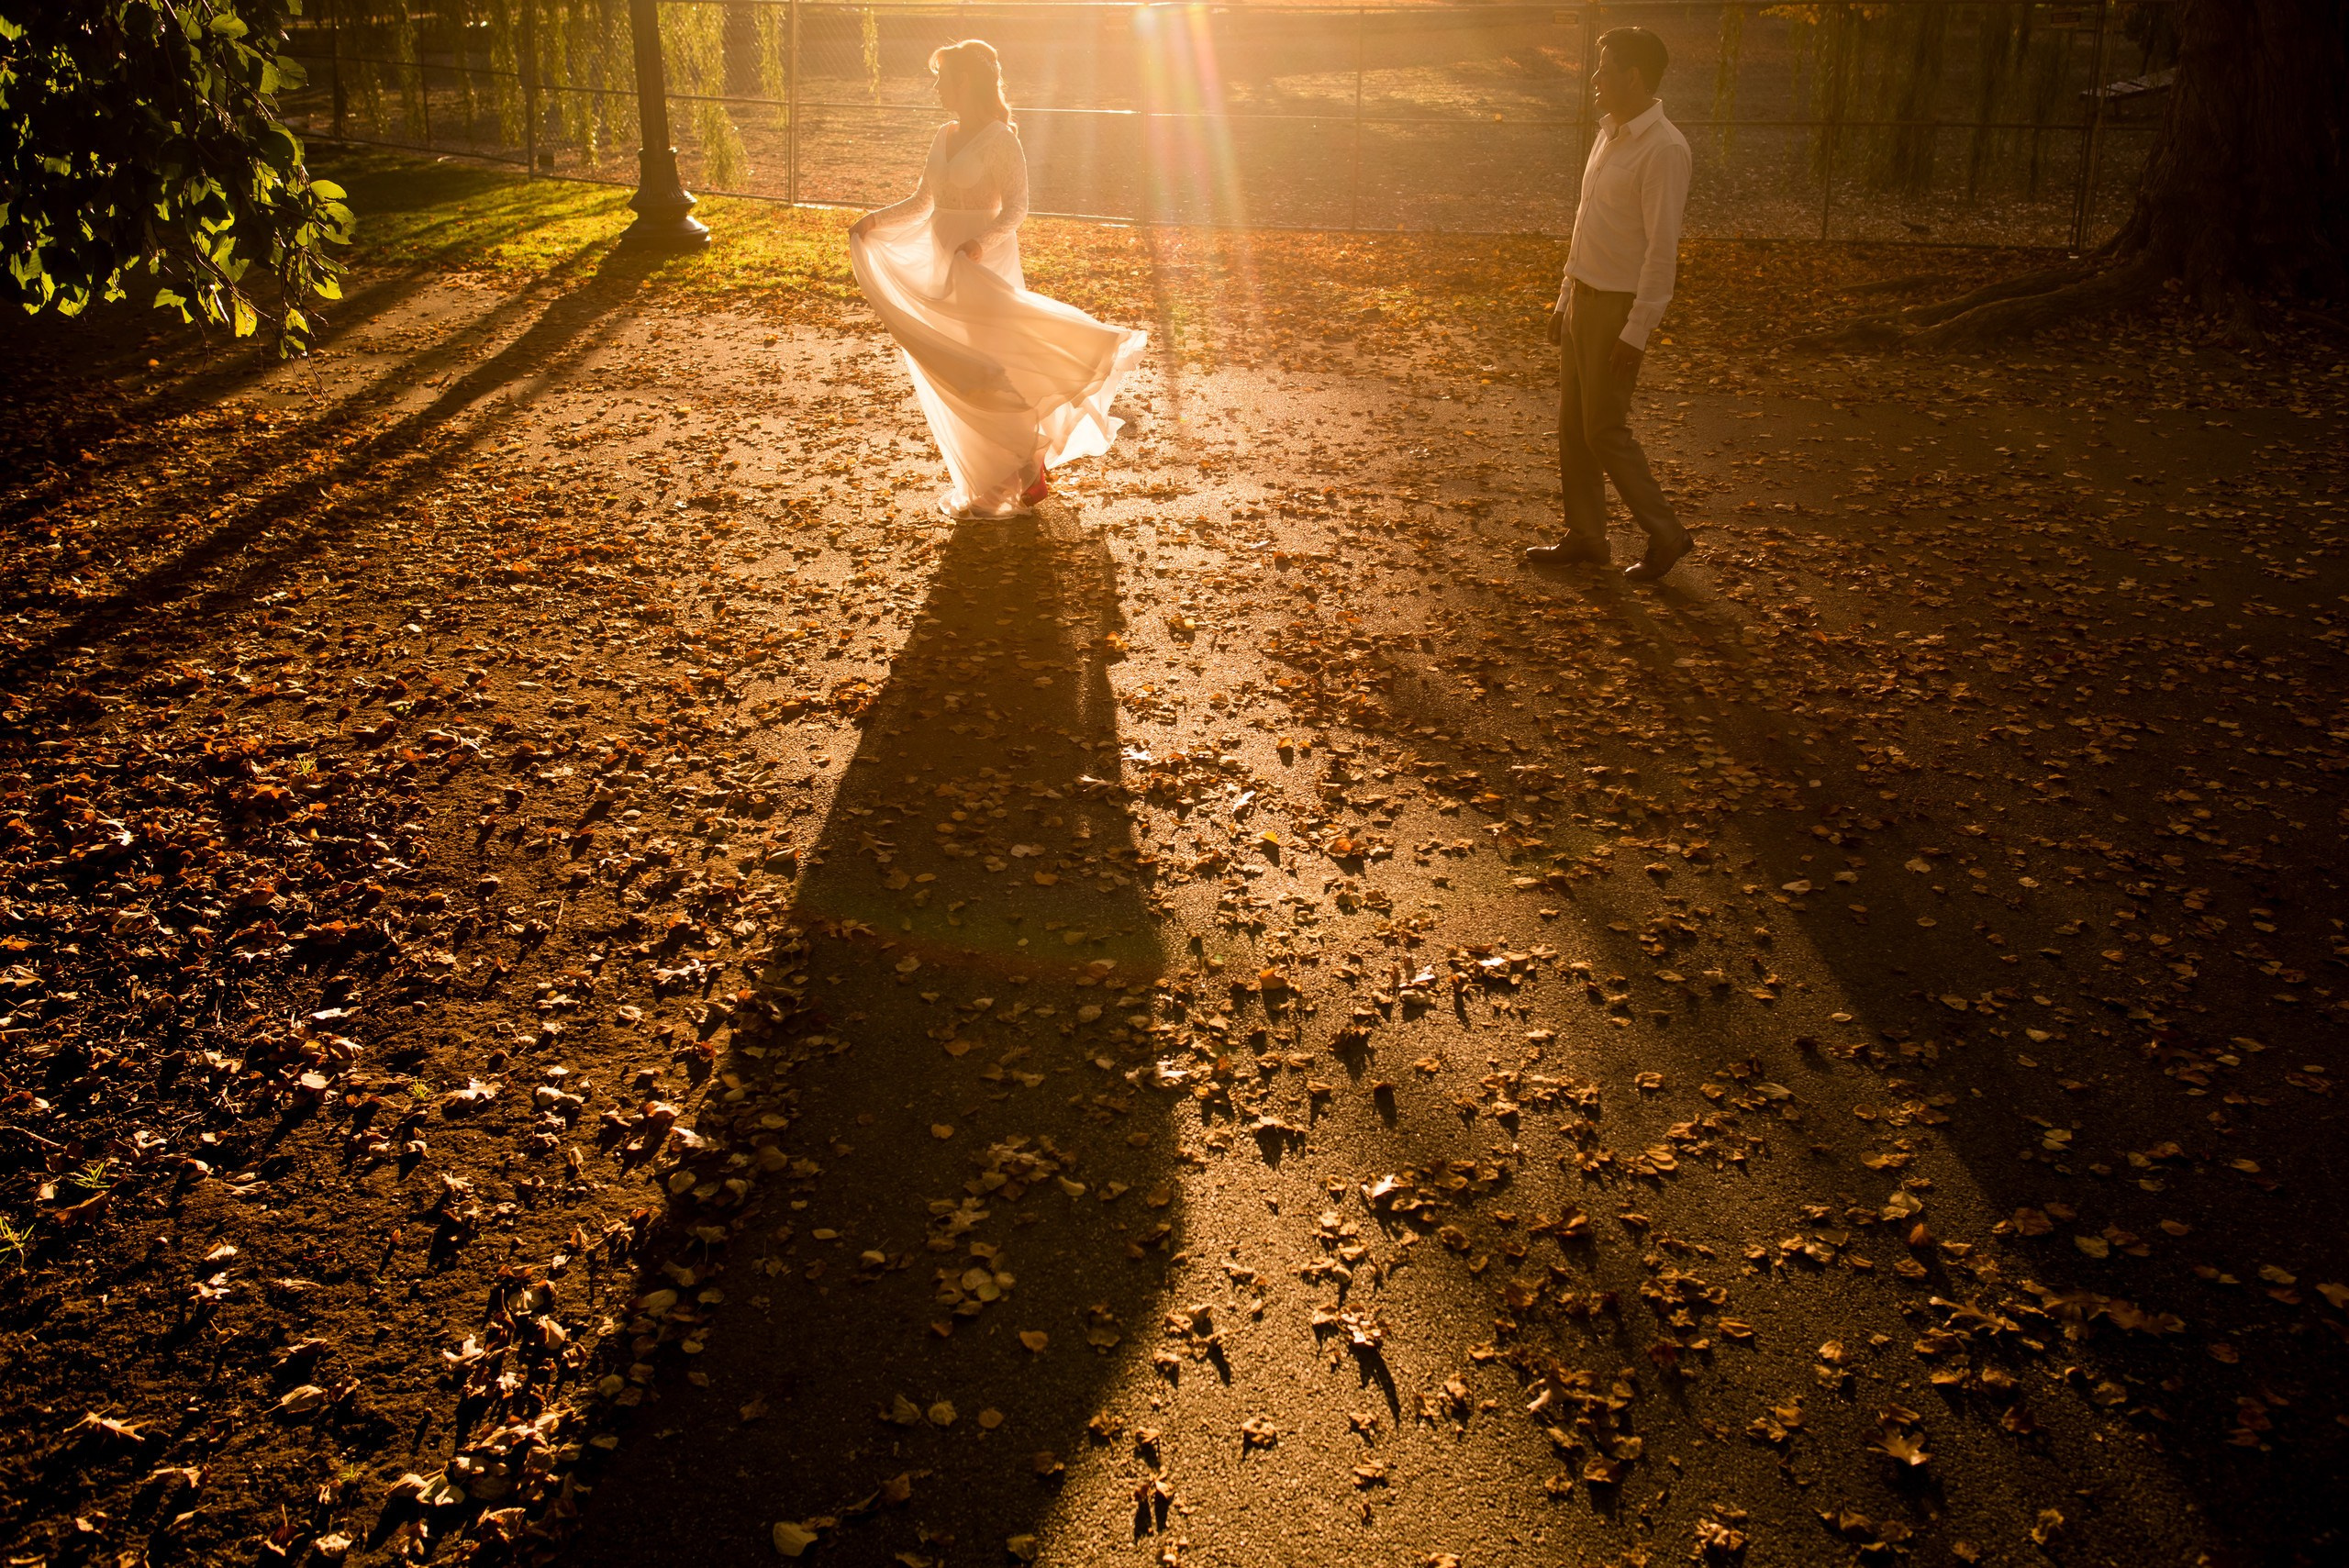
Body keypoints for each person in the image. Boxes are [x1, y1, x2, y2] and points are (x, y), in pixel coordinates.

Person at [849, 40, 1147, 519]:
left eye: (942, 77)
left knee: (992, 363)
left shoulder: (1000, 138)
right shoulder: (943, 134)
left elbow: (1017, 207)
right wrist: (874, 221)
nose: (936, 86)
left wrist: (980, 244)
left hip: (981, 263)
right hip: (943, 264)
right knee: (962, 370)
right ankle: (1016, 465)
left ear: (965, 81)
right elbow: (924, 200)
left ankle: (1018, 468)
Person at [1524, 26, 1694, 584]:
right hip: (1583, 298)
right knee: (1573, 425)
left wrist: (1636, 329)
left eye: (1605, 68)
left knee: (1603, 428)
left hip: (1619, 309)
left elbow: (1661, 250)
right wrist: (1565, 295)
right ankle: (1587, 535)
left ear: (1634, 76)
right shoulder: (1609, 133)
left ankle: (1665, 531)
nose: (1595, 78)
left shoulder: (1664, 149)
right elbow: (1586, 223)